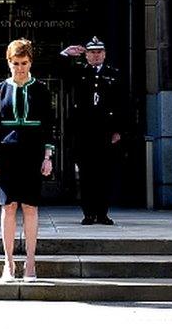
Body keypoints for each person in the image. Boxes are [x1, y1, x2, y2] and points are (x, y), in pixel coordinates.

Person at [0, 39, 54, 281]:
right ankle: (9, 262)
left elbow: (48, 126)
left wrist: (48, 157)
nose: (20, 68)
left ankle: (31, 263)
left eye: (24, 63)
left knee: (31, 207)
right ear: (9, 62)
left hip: (32, 153)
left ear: (31, 62)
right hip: (6, 154)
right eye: (15, 63)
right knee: (8, 206)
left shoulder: (42, 89)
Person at [60, 36, 125, 225]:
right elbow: (60, 73)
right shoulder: (79, 72)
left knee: (104, 174)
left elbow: (122, 104)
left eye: (99, 52)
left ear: (104, 54)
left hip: (106, 132)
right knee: (87, 175)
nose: (96, 56)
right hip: (84, 132)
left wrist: (119, 130)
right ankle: (88, 213)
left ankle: (102, 213)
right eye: (92, 52)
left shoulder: (114, 74)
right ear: (86, 55)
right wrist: (66, 54)